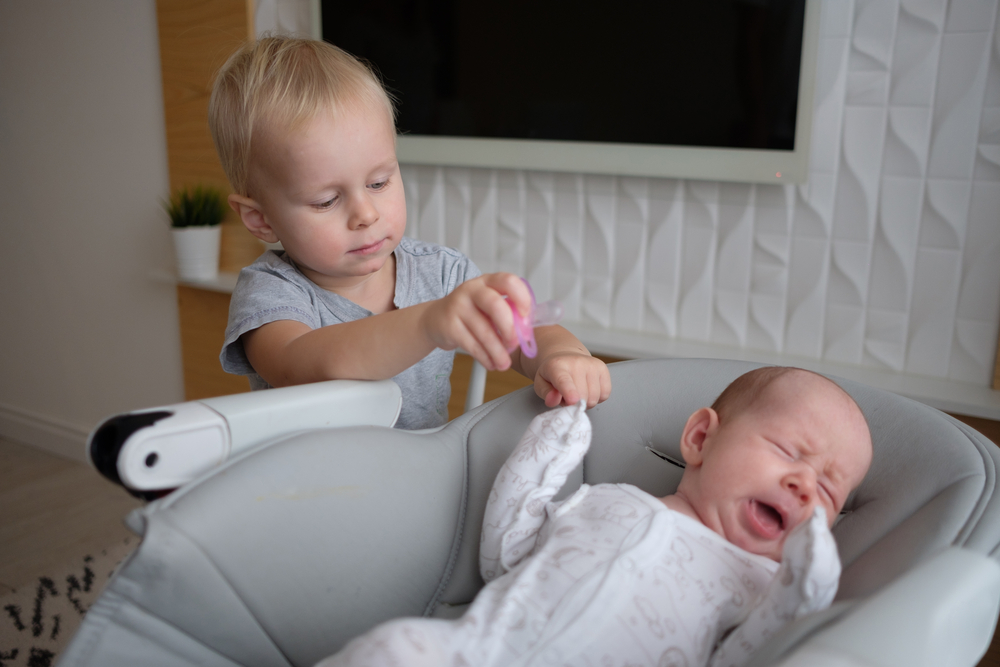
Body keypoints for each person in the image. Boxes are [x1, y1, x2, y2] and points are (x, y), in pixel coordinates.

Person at [317, 366, 874, 667]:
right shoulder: (605, 500)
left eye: (828, 491)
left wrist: (805, 586)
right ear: (702, 438)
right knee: (392, 649)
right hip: (481, 653)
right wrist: (545, 453)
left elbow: (752, 657)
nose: (804, 486)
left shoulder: (758, 587)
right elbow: (506, 558)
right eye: (788, 452)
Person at [208, 36, 611, 429]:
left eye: (379, 182)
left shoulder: (441, 273)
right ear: (261, 219)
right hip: (316, 492)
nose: (365, 214)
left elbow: (527, 329)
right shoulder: (270, 294)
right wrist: (427, 324)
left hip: (423, 483)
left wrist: (563, 356)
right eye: (326, 201)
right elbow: (302, 367)